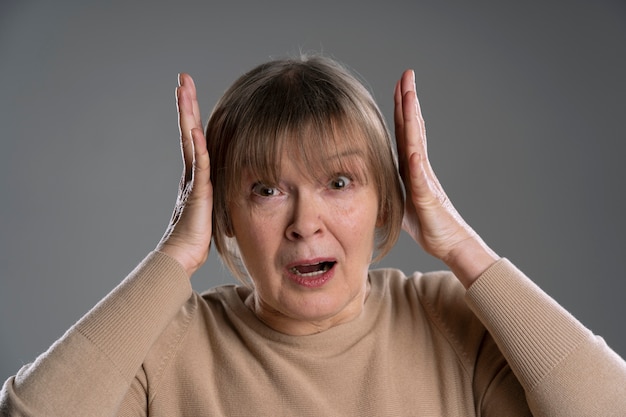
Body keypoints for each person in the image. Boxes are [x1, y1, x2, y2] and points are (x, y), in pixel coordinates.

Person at [1, 54, 625, 416]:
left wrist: (463, 248)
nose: (305, 222)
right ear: (224, 214)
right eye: (267, 190)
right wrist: (177, 253)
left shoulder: (450, 320)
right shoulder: (168, 344)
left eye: (340, 182)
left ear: (386, 198)